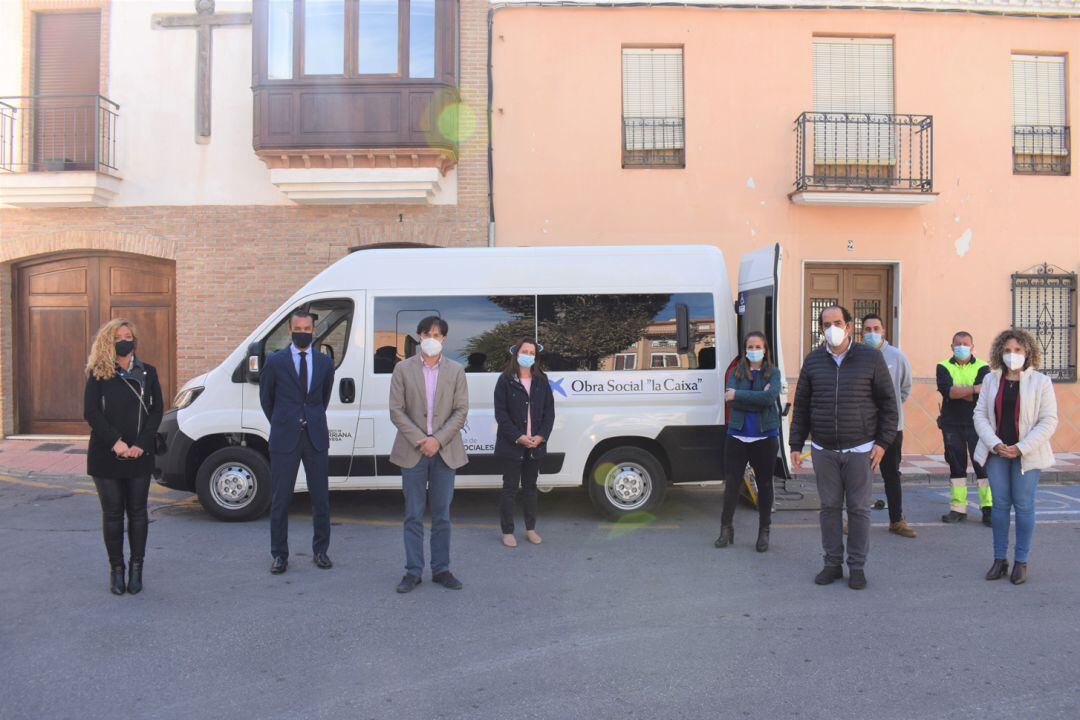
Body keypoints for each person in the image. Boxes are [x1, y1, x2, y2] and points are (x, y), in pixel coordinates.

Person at [789, 305, 897, 590]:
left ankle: (857, 567)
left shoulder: (870, 358)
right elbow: (801, 406)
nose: (832, 328)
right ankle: (832, 564)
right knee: (829, 508)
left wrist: (883, 443)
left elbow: (889, 404)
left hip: (861, 449)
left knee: (859, 510)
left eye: (837, 322)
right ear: (821, 329)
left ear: (849, 326)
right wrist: (796, 444)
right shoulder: (813, 361)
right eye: (826, 324)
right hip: (824, 449)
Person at [83, 318, 164, 595]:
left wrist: (141, 443)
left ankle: (137, 568)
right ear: (109, 341)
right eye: (117, 337)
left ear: (134, 340)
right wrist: (116, 442)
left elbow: (156, 411)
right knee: (113, 514)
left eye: (127, 336)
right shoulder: (98, 373)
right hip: (106, 456)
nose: (123, 341)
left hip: (140, 455)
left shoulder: (148, 372)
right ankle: (116, 570)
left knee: (138, 513)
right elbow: (91, 412)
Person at [389, 316, 469, 593]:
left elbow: (461, 411)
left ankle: (441, 569)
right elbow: (396, 410)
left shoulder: (457, 371)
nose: (432, 338)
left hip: (445, 451)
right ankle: (412, 571)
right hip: (413, 450)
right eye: (427, 333)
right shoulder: (402, 369)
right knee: (412, 514)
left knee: (442, 515)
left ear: (444, 339)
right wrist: (422, 440)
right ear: (419, 336)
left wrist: (438, 440)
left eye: (438, 334)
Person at [973, 329, 1057, 585]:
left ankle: (1021, 561)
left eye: (1018, 350)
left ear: (1028, 352)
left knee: (1023, 506)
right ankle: (1000, 559)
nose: (1012, 355)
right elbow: (980, 415)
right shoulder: (990, 379)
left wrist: (1021, 447)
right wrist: (996, 444)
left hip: (1026, 454)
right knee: (999, 506)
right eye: (1008, 350)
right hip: (997, 452)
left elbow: (1049, 420)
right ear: (1000, 351)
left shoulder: (1041, 382)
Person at [259, 309, 336, 575]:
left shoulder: (324, 362)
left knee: (321, 499)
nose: (302, 333)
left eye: (307, 329)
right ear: (289, 330)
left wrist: (308, 418)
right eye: (297, 329)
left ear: (314, 331)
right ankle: (279, 555)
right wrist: (284, 421)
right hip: (284, 438)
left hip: (315, 437)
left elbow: (322, 399)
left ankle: (321, 551)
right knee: (281, 499)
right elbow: (266, 399)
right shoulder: (275, 361)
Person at [715, 331, 781, 552]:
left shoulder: (774, 373)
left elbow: (769, 398)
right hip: (737, 435)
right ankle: (726, 529)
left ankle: (764, 532)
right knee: (731, 484)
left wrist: (740, 395)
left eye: (757, 347)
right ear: (745, 350)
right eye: (749, 347)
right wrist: (756, 398)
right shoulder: (736, 372)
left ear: (765, 349)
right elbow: (730, 401)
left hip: (765, 437)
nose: (753, 351)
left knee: (764, 485)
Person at [494, 339, 556, 548]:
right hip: (513, 444)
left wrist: (540, 436)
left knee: (530, 488)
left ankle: (531, 529)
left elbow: (549, 413)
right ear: (516, 354)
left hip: (535, 445)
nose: (528, 355)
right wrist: (518, 436)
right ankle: (507, 531)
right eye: (524, 351)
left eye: (531, 352)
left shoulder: (542, 380)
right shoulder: (505, 380)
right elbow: (500, 414)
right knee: (510, 488)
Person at [861, 314, 916, 538]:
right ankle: (853, 519)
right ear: (861, 332)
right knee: (858, 476)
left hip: (891, 428)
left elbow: (904, 389)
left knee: (891, 474)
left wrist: (889, 414)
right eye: (867, 329)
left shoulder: (897, 357)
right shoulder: (857, 356)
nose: (872, 332)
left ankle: (896, 520)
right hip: (862, 427)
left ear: (883, 331)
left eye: (876, 328)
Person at [936, 331, 993, 525]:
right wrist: (973, 389)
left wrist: (962, 391)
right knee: (956, 466)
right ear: (951, 346)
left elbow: (982, 394)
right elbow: (948, 392)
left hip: (977, 423)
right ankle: (958, 508)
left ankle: (988, 509)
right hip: (951, 423)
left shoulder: (983, 367)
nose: (961, 346)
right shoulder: (942, 366)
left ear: (972, 346)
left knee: (982, 466)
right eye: (957, 343)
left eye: (965, 343)